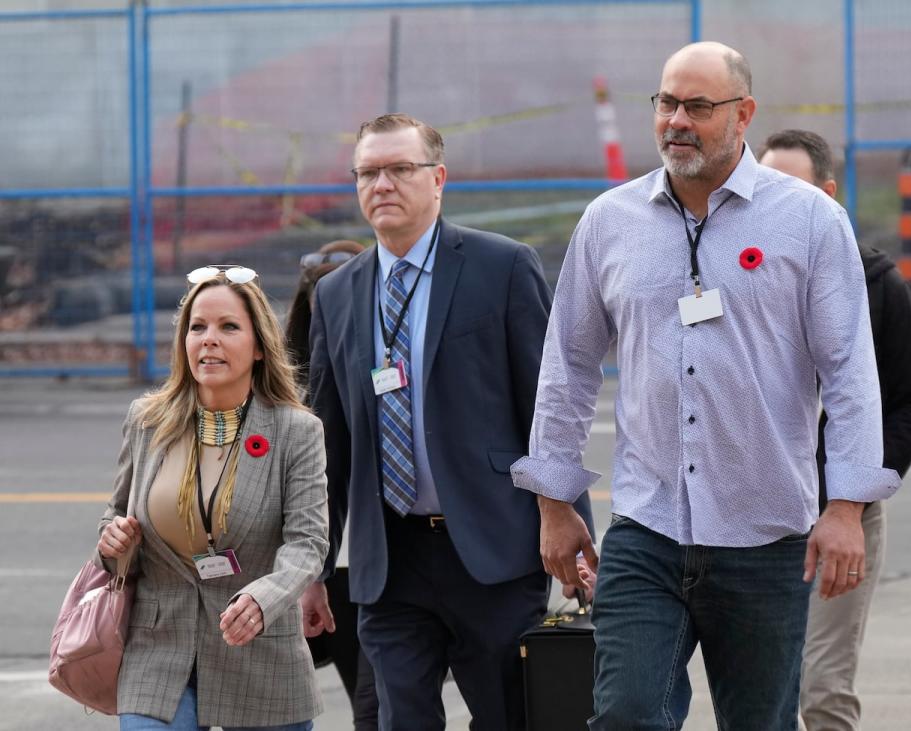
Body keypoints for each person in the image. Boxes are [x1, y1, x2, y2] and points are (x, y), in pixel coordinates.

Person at [511, 42, 902, 730]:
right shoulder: (610, 221)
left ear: (744, 114)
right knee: (627, 714)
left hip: (768, 536)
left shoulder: (809, 221)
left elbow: (848, 371)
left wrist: (845, 505)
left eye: (698, 105)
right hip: (647, 528)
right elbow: (567, 366)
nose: (676, 121)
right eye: (666, 103)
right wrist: (553, 502)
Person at [302, 112, 593, 731]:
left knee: (506, 716)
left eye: (399, 169)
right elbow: (330, 444)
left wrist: (571, 527)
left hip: (492, 549)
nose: (382, 184)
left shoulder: (501, 267)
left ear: (438, 179)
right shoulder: (337, 294)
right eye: (368, 172)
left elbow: (550, 405)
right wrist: (314, 569)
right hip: (390, 560)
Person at [96, 264, 329, 730]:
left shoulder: (296, 431)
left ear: (260, 346)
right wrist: (113, 543)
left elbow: (308, 542)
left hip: (259, 650)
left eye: (228, 327)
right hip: (159, 650)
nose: (209, 339)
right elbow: (116, 516)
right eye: (197, 327)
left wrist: (266, 597)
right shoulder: (147, 421)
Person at [760, 129, 911, 731]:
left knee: (823, 687)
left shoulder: (875, 283)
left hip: (840, 517)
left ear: (827, 194)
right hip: (753, 517)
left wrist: (850, 493)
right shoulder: (738, 276)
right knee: (762, 687)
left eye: (790, 187)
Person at [286, 240, 379, 730]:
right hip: (317, 567)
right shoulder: (284, 382)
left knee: (374, 703)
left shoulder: (383, 362)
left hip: (374, 558)